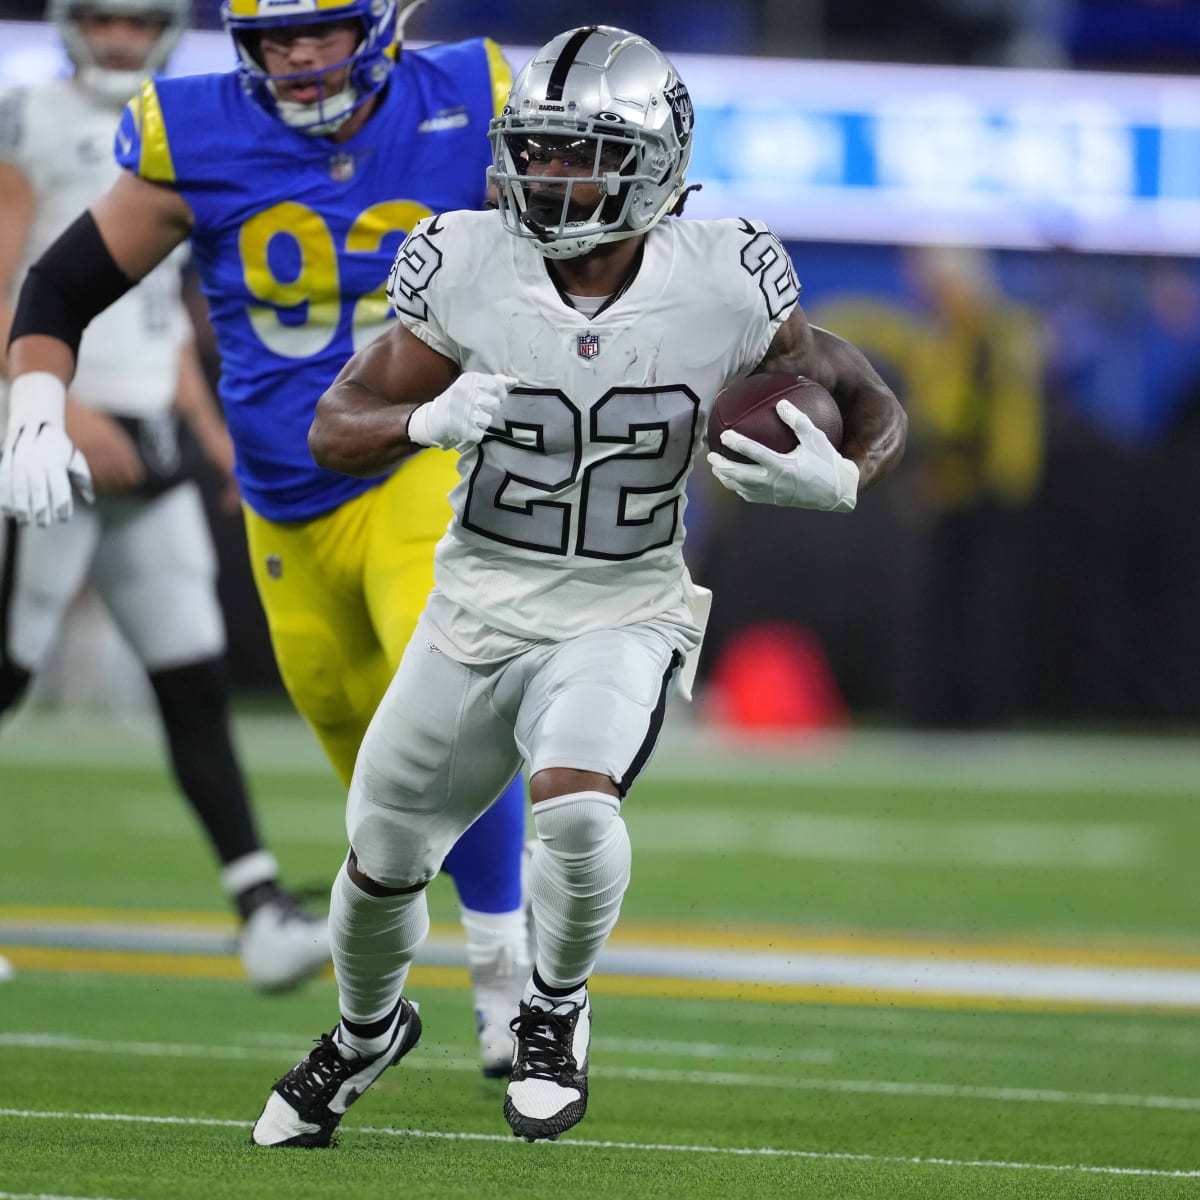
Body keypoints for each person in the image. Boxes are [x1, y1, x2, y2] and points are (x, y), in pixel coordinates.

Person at [247, 24, 907, 1146]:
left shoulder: (725, 274)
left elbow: (863, 389)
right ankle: (365, 1035)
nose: (547, 175)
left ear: (655, 161)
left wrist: (846, 473)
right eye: (536, 149)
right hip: (474, 604)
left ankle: (553, 1011)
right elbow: (331, 426)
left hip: (623, 604)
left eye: (579, 151)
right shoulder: (463, 258)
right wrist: (423, 419)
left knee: (578, 806)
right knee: (380, 861)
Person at [0, 0, 532, 1071]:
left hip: (422, 457)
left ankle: (510, 981)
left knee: (450, 692)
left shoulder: (471, 97)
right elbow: (58, 287)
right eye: (273, 39)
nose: (297, 56)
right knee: (380, 783)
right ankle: (378, 1008)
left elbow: (588, 236)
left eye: (321, 31)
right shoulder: (192, 132)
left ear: (378, 26)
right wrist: (34, 412)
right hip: (290, 499)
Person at [0, 0, 329, 990]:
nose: (116, 37)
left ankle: (260, 904)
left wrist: (211, 434)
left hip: (150, 445)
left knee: (192, 677)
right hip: (56, 443)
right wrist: (51, 411)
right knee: (7, 678)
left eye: (136, 20)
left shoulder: (179, 122)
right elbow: (11, 284)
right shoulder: (32, 115)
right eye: (99, 17)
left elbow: (162, 315)